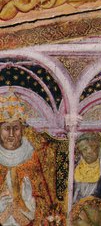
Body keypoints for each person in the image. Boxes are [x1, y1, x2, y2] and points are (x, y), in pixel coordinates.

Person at [0, 91, 53, 226]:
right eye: (6, 128)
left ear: (22, 129)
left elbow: (44, 201)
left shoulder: (32, 157)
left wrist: (29, 201)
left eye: (16, 128)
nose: (11, 134)